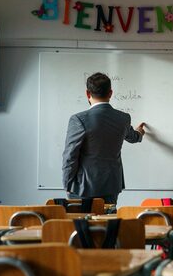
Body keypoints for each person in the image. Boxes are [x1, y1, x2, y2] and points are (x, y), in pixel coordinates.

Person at [62, 72, 145, 204]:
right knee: (109, 223)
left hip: (82, 187)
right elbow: (133, 137)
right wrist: (140, 133)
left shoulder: (78, 120)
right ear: (110, 93)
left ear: (88, 94)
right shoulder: (123, 119)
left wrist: (67, 185)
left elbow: (70, 156)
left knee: (81, 224)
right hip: (111, 186)